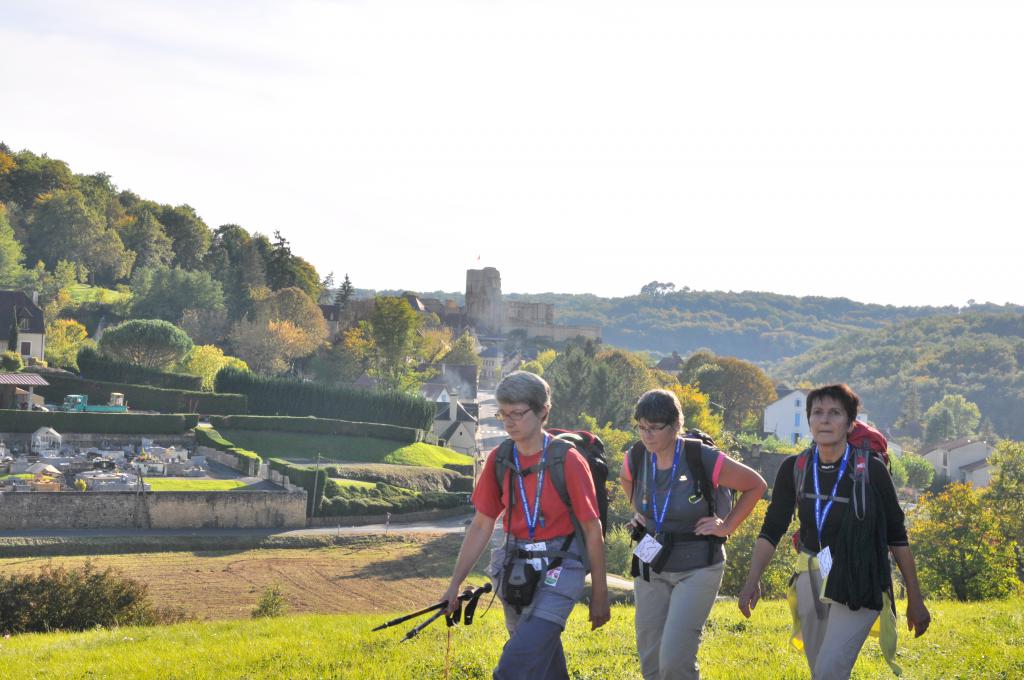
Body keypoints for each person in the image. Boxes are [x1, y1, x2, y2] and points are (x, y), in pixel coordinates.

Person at [738, 384, 930, 680]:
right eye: (818, 413)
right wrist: (752, 581)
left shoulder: (871, 470)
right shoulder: (795, 467)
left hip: (859, 579)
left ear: (850, 423)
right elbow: (772, 529)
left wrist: (915, 599)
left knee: (828, 671)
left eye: (835, 413)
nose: (825, 420)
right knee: (823, 672)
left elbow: (897, 536)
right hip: (810, 576)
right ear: (809, 420)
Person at [440, 370, 610, 679]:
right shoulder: (499, 459)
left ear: (543, 410)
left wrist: (600, 593)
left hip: (562, 566)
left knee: (514, 667)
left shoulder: (569, 461)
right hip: (516, 569)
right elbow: (481, 525)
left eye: (517, 413)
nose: (508, 421)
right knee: (543, 664)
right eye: (503, 413)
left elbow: (591, 529)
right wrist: (454, 584)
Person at [620, 389, 767, 680]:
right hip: (651, 562)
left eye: (655, 428)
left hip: (698, 565)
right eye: (642, 427)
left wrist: (726, 526)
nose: (647, 435)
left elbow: (756, 485)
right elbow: (626, 479)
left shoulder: (699, 456)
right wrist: (640, 510)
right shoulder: (636, 456)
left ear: (676, 426)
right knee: (650, 661)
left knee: (675, 661)